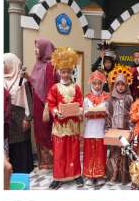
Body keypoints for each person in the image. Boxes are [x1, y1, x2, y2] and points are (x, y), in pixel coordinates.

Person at [46, 47, 84, 189]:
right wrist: (56, 112)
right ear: (59, 72)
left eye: (68, 71)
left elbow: (80, 103)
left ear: (71, 72)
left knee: (74, 152)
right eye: (63, 72)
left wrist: (79, 110)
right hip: (60, 127)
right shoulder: (55, 88)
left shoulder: (77, 88)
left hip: (73, 126)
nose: (66, 74)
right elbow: (51, 103)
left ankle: (76, 175)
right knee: (60, 153)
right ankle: (58, 177)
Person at [29, 39, 58, 170]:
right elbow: (36, 85)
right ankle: (44, 163)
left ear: (45, 49)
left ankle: (51, 163)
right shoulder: (38, 65)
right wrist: (27, 78)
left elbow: (51, 88)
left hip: (45, 106)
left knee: (46, 133)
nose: (35, 50)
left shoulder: (50, 66)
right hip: (37, 106)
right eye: (35, 47)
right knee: (39, 132)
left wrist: (47, 107)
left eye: (38, 47)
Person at [4, 53, 34, 173]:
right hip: (7, 121)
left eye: (4, 63)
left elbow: (29, 101)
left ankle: (22, 171)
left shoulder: (22, 81)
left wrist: (28, 118)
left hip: (20, 118)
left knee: (20, 145)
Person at [106, 66, 134, 184]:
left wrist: (132, 129)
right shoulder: (111, 99)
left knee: (124, 153)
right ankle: (113, 174)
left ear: (126, 85)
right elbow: (109, 114)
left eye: (123, 84)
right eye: (118, 84)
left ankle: (124, 177)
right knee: (114, 153)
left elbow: (132, 114)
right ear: (115, 85)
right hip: (114, 131)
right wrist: (107, 129)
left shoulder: (129, 98)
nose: (120, 87)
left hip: (125, 130)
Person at [81, 70, 109, 185]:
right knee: (89, 153)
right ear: (91, 84)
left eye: (99, 83)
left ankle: (100, 174)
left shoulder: (106, 98)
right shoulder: (86, 98)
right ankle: (89, 175)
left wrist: (103, 112)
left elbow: (108, 113)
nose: (97, 86)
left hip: (101, 129)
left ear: (102, 84)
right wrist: (88, 113)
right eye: (94, 83)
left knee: (100, 153)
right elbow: (83, 113)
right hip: (89, 130)